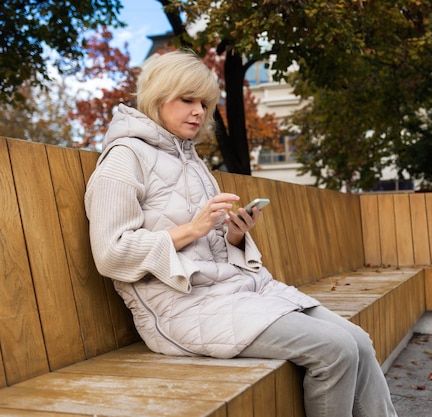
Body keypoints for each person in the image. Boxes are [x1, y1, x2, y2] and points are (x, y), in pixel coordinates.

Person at [84, 50, 398, 417]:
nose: (199, 112)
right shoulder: (124, 157)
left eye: (205, 102)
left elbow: (206, 245)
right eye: (187, 100)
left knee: (358, 341)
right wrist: (193, 228)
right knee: (335, 350)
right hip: (181, 308)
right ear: (157, 97)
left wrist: (234, 235)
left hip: (234, 292)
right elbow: (110, 252)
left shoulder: (191, 160)